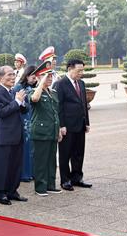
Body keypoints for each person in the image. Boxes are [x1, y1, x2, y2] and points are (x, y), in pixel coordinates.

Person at [0, 65, 28, 205]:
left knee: (15, 165)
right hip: (4, 136)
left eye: (13, 75)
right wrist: (17, 102)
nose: (13, 78)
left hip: (17, 135)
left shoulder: (14, 91)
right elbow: (2, 112)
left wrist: (22, 102)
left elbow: (24, 110)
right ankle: (1, 193)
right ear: (0, 78)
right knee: (3, 166)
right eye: (9, 75)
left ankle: (13, 191)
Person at [54, 58, 92, 191]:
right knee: (65, 153)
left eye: (82, 70)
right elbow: (58, 106)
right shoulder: (60, 84)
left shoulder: (81, 83)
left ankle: (77, 178)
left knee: (78, 153)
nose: (81, 73)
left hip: (80, 124)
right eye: (78, 70)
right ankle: (65, 180)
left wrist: (86, 122)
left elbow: (83, 104)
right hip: (67, 126)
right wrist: (61, 125)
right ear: (70, 69)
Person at [29, 61, 63, 196]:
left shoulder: (53, 92)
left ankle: (50, 184)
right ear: (38, 77)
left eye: (50, 77)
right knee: (41, 160)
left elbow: (56, 113)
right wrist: (41, 83)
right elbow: (34, 99)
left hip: (52, 130)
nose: (49, 79)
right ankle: (40, 187)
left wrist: (59, 129)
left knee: (51, 160)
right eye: (46, 76)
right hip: (40, 132)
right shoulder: (33, 91)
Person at [14, 65, 37, 183]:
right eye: (33, 76)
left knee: (33, 148)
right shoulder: (19, 87)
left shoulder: (35, 87)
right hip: (23, 120)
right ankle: (24, 174)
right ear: (27, 76)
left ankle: (32, 172)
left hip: (33, 119)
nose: (35, 79)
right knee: (25, 147)